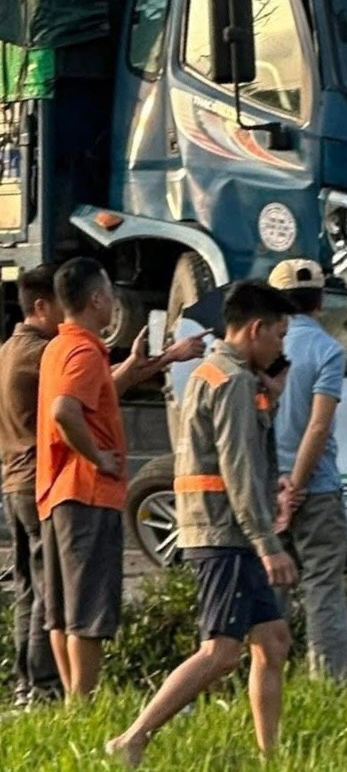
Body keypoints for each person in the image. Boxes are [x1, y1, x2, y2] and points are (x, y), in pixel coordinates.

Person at [107, 281, 299, 768]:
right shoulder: (232, 381)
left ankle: (269, 755)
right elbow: (237, 467)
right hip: (223, 533)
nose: (281, 347)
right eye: (278, 335)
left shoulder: (216, 372)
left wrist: (270, 399)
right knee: (221, 652)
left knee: (272, 640)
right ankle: (133, 737)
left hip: (220, 528)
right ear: (255, 330)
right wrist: (267, 543)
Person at [36, 258, 202, 699]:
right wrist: (97, 457)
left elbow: (97, 391)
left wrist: (157, 360)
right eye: (109, 292)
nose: (114, 301)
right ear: (95, 299)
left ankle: (75, 703)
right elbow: (65, 410)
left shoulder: (61, 346)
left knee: (61, 611)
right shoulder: (85, 351)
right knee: (87, 612)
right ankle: (82, 704)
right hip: (87, 493)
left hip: (56, 493)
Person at [267, 258, 347, 680]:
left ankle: (265, 677)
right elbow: (319, 425)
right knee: (323, 589)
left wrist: (280, 490)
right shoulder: (329, 351)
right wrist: (297, 487)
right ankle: (329, 685)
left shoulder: (260, 347)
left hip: (265, 488)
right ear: (320, 302)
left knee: (271, 588)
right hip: (316, 488)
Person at [0, 265, 64, 707]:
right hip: (36, 481)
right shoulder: (43, 355)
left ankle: (24, 685)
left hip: (11, 480)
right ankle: (42, 687)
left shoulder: (7, 350)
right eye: (63, 304)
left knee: (27, 588)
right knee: (47, 589)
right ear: (41, 306)